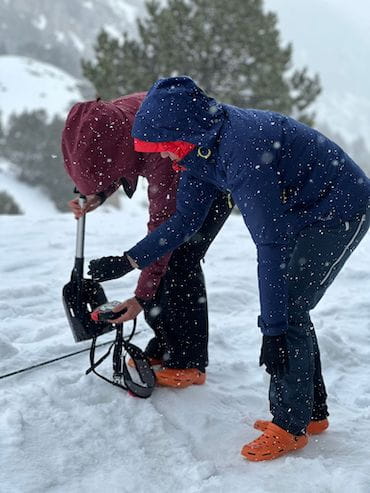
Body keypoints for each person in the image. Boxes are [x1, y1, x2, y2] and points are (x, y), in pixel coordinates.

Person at [87, 76, 370, 461]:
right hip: (301, 210)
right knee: (291, 308)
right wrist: (130, 259)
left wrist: (271, 330)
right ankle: (311, 413)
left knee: (288, 310)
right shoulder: (200, 151)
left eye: (166, 148)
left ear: (183, 134)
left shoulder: (243, 152)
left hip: (339, 211)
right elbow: (184, 221)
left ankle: (291, 425)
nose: (165, 158)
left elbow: (269, 246)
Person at [61, 92, 233, 388]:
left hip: (215, 181)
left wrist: (141, 297)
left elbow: (163, 232)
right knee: (166, 261)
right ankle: (167, 344)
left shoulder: (158, 148)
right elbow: (112, 159)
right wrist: (99, 193)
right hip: (185, 175)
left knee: (179, 259)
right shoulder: (109, 121)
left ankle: (188, 360)